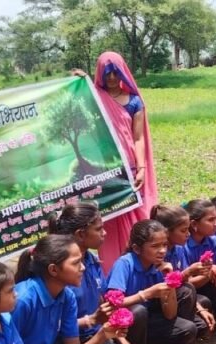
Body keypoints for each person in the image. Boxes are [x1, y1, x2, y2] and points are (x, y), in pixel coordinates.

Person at [48, 202, 168, 344]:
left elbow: (105, 308)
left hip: (102, 337)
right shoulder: (61, 271)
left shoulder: (92, 262)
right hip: (76, 343)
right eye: (99, 229)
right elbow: (55, 325)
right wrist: (91, 323)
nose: (104, 233)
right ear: (80, 234)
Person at [12, 235, 126, 344]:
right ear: (54, 270)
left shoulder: (66, 296)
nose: (83, 267)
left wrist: (103, 334)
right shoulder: (22, 300)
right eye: (76, 263)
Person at [76, 51, 158, 273]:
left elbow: (138, 137)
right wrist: (80, 82)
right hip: (105, 170)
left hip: (130, 169)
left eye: (115, 72)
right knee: (108, 225)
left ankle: (139, 272)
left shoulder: (134, 101)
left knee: (137, 222)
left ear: (122, 72)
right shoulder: (94, 97)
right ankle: (112, 273)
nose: (111, 77)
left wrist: (141, 168)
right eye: (106, 73)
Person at [106, 220, 204, 344]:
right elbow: (111, 305)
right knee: (138, 311)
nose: (163, 250)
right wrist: (146, 294)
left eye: (164, 245)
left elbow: (170, 315)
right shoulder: (124, 264)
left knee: (189, 328)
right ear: (137, 249)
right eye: (155, 246)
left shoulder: (158, 266)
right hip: (124, 329)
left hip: (149, 321)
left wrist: (169, 282)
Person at [150, 204, 216, 336]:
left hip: (175, 300)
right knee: (187, 291)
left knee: (202, 319)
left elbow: (186, 282)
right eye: (183, 230)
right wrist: (188, 272)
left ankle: (184, 328)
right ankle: (176, 337)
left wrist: (200, 309)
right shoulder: (156, 254)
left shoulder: (178, 249)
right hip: (158, 303)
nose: (188, 234)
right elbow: (166, 287)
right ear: (167, 232)